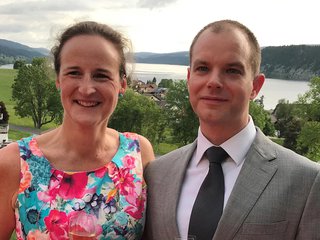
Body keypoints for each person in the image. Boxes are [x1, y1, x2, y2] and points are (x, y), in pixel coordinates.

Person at [143, 19, 320, 240]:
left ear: (255, 86)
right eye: (203, 68)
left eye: (232, 70)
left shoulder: (307, 181)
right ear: (189, 79)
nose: (214, 81)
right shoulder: (157, 174)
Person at [0, 21, 154, 239]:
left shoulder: (138, 153)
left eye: (101, 75)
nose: (87, 88)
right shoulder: (15, 162)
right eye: (74, 73)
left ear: (122, 84)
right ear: (58, 80)